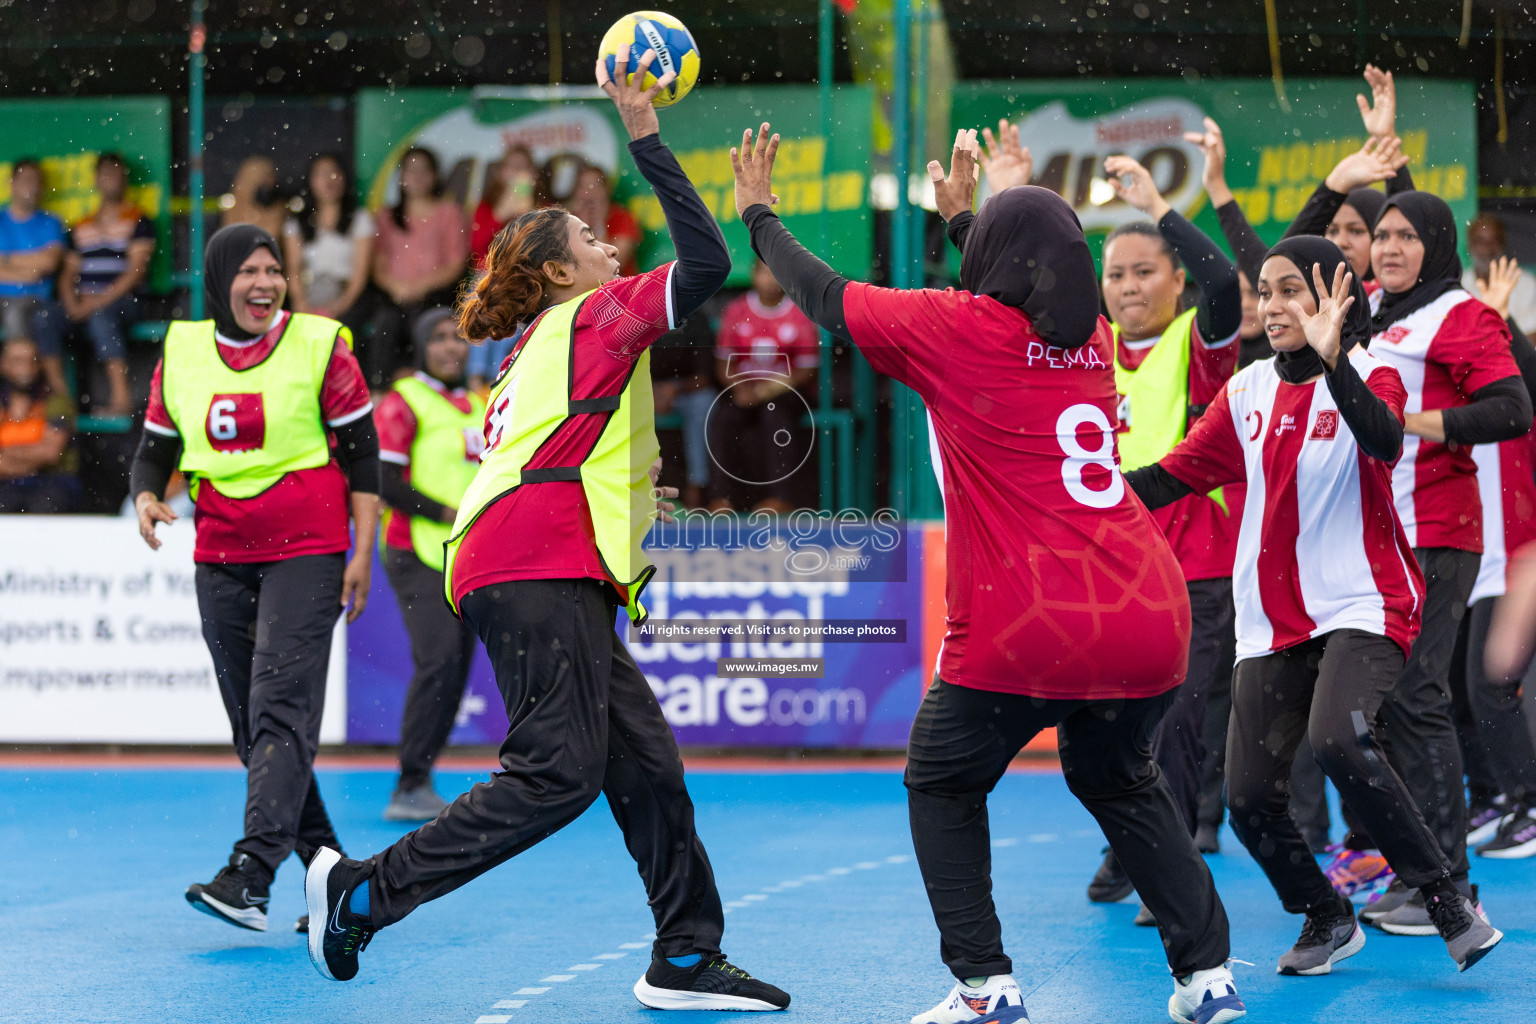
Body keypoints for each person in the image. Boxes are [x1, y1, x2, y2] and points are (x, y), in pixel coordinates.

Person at [302, 51, 791, 1014]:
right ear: (562, 269)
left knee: (645, 762)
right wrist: (648, 136)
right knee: (557, 772)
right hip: (535, 557)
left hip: (526, 552)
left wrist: (626, 477)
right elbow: (707, 264)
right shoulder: (596, 312)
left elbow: (565, 443)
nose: (612, 248)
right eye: (590, 239)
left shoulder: (535, 344)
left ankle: (686, 956)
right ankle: (364, 891)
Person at [736, 123, 1245, 1024]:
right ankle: (1208, 977)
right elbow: (1030, 267)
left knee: (941, 781)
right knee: (1125, 781)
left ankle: (984, 986)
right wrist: (973, 214)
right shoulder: (1090, 334)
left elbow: (822, 293)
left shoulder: (954, 328)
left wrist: (760, 216)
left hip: (1026, 618)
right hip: (1143, 605)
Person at [1126, 235, 1503, 975]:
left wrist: (1335, 362)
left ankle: (1446, 896)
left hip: (1366, 600)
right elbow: (1175, 474)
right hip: (1270, 620)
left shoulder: (1374, 371)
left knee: (1339, 737)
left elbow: (1386, 439)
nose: (1271, 306)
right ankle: (1326, 916)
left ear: (1336, 297)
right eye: (1263, 291)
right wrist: (1083, 489)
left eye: (1290, 289)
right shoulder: (1245, 392)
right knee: (1248, 798)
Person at [978, 123, 1244, 921]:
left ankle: (1166, 857)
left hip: (1195, 565)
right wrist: (1007, 195)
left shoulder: (1197, 347)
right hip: (1108, 571)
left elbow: (1228, 284)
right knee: (1110, 724)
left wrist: (1162, 208)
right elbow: (1005, 291)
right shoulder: (1083, 349)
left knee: (1186, 718)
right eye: (1115, 274)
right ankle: (1144, 836)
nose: (1127, 287)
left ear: (1172, 281)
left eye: (1144, 272)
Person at [128, 224, 380, 933]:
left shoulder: (321, 345)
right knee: (255, 727)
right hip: (221, 553)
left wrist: (361, 552)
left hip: (309, 547)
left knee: (280, 712)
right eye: (248, 272)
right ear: (218, 282)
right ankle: (334, 875)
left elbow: (364, 456)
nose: (264, 283)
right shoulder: (181, 352)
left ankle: (250, 874)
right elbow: (154, 450)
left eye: (274, 270)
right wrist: (147, 497)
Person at [1349, 191, 1532, 936]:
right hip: (1375, 534)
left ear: (1437, 244)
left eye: (1405, 236)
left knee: (1419, 696)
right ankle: (1419, 872)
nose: (1388, 247)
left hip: (1440, 532)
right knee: (1383, 706)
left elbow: (1513, 407)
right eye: (1380, 234)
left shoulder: (1460, 315)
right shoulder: (1367, 310)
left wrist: (1416, 423)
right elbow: (1280, 270)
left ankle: (1452, 886)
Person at [373, 307, 485, 821]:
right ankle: (409, 781)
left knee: (457, 666)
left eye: (458, 338)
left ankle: (419, 781)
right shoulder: (403, 402)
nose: (451, 347)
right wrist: (448, 512)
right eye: (438, 338)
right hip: (415, 550)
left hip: (467, 553)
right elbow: (385, 482)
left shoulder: (478, 403)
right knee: (439, 659)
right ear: (421, 347)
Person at [1449, 256, 1536, 858]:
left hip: (1518, 554)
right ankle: (1493, 796)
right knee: (1457, 684)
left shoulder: (1515, 393)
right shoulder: (1453, 384)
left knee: (1492, 682)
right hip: (1471, 554)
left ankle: (1527, 803)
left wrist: (1505, 321)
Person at [708, 258, 819, 512]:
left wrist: (770, 389)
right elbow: (723, 365)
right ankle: (720, 499)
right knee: (722, 419)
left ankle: (781, 498)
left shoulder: (800, 312)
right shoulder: (737, 311)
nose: (770, 280)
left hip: (785, 392)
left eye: (776, 273)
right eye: (764, 273)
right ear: (753, 275)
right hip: (744, 390)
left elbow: (807, 369)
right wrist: (740, 388)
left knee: (777, 417)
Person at [58, 152, 153, 417]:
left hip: (124, 303)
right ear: (96, 180)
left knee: (102, 316)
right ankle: (61, 403)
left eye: (117, 174)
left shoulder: (138, 219)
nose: (112, 179)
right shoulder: (81, 225)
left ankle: (121, 400)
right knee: (44, 317)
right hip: (85, 303)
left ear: (125, 180)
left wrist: (95, 303)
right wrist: (71, 303)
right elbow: (67, 274)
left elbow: (135, 272)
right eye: (106, 174)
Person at [368, 146, 470, 392]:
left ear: (435, 176)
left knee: (427, 326)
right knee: (385, 325)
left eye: (424, 170)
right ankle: (380, 395)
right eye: (410, 170)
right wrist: (398, 288)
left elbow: (455, 265)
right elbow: (378, 267)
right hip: (394, 297)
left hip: (435, 295)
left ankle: (426, 392)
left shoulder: (449, 213)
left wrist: (418, 287)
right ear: (401, 177)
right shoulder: (386, 216)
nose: (417, 176)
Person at [283, 153, 376, 333]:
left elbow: (360, 274)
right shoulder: (296, 222)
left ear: (344, 178)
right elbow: (293, 269)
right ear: (310, 181)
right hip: (309, 292)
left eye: (334, 173)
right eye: (321, 174)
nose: (329, 180)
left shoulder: (360, 219)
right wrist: (302, 305)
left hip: (346, 296)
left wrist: (339, 306)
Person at [0, 159, 68, 397]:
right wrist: (29, 269)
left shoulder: (50, 222)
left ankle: (20, 395)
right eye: (27, 180)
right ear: (12, 183)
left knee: (17, 313)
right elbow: (38, 266)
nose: (33, 186)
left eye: (38, 181)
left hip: (34, 301)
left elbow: (49, 263)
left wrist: (6, 259)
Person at [0, 336, 78, 512]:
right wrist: (33, 454)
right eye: (17, 360)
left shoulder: (57, 402)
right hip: (6, 484)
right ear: (3, 364)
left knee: (46, 506)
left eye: (31, 360)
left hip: (53, 480)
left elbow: (51, 453)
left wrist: (8, 453)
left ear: (39, 365)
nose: (26, 368)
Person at [1463, 214, 1536, 334]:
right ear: (1470, 246)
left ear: (1503, 244)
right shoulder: (1459, 285)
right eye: (1480, 241)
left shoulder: (1526, 284)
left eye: (1494, 240)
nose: (1488, 248)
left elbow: (1532, 337)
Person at [570, 161, 643, 276]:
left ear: (607, 190)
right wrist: (581, 226)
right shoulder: (569, 221)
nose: (590, 193)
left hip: (621, 289)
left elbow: (613, 266)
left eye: (596, 186)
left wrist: (598, 225)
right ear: (575, 192)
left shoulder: (623, 218)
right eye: (583, 186)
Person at [470, 145, 538, 267]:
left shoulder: (544, 208)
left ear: (533, 174)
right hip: (491, 274)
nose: (517, 170)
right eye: (511, 166)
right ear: (500, 173)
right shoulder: (486, 207)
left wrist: (529, 216)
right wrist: (499, 215)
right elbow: (477, 246)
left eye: (523, 166)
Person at [221, 155, 288, 239]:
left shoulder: (279, 211)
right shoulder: (234, 212)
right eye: (264, 179)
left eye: (271, 177)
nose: (269, 183)